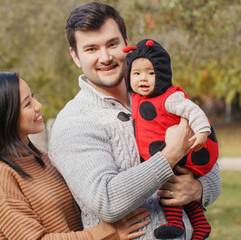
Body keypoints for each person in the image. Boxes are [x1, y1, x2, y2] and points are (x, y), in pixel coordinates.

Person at [49, 2, 222, 240]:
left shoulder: (161, 95)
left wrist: (200, 189)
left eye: (112, 44)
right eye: (91, 49)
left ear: (127, 43)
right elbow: (106, 200)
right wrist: (170, 155)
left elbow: (209, 161)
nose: (106, 57)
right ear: (75, 56)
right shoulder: (74, 123)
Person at [0, 72, 151, 240]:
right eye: (27, 104)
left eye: (33, 97)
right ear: (4, 117)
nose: (38, 106)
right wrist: (108, 232)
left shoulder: (43, 159)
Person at [124, 39, 218, 240]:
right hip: (163, 154)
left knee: (168, 185)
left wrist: (202, 131)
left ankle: (175, 224)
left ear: (162, 74)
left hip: (182, 153)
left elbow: (193, 110)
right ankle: (200, 226)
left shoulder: (169, 98)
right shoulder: (134, 98)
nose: (143, 79)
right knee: (174, 185)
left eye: (151, 73)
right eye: (137, 73)